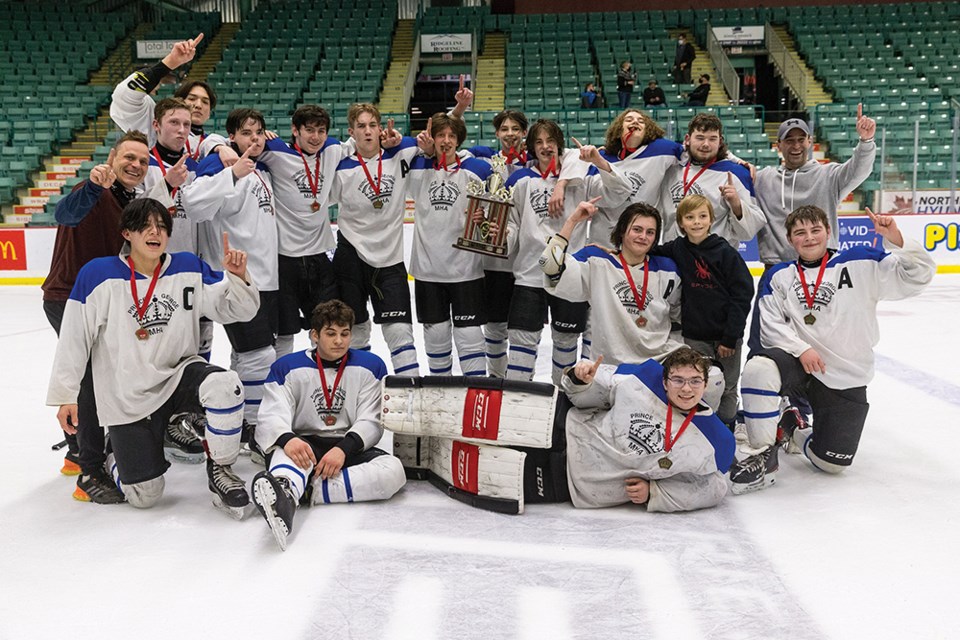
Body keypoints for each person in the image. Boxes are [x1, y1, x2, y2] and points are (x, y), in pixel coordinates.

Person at [46, 199, 261, 513]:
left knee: (226, 384)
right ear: (127, 233)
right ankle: (115, 452)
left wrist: (239, 278)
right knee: (146, 497)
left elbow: (238, 309)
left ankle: (221, 469)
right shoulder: (98, 275)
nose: (155, 232)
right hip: (128, 396)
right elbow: (74, 339)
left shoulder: (188, 266)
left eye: (161, 226)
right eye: (145, 225)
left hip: (179, 376)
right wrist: (66, 395)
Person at [731, 205, 935, 494]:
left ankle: (793, 427)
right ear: (791, 240)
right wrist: (800, 349)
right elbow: (769, 325)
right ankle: (762, 454)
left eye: (816, 230)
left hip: (844, 376)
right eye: (800, 232)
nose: (809, 237)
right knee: (759, 368)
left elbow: (918, 277)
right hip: (799, 366)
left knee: (831, 463)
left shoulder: (861, 262)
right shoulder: (780, 276)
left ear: (828, 231)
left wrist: (896, 240)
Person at [42, 131, 170, 503]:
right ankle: (88, 471)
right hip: (69, 300)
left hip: (98, 302)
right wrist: (93, 186)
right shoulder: (94, 189)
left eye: (143, 161)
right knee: (91, 383)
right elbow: (64, 213)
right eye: (129, 157)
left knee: (95, 378)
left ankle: (76, 452)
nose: (136, 165)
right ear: (112, 158)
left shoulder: (131, 201)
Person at [252, 300, 406, 551]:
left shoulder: (370, 366)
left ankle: (299, 492)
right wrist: (288, 440)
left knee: (393, 471)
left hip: (347, 445)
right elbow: (271, 415)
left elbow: (372, 419)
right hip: (304, 443)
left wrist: (344, 449)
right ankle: (284, 491)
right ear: (314, 335)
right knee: (285, 455)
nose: (339, 341)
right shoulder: (287, 367)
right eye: (331, 334)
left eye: (345, 334)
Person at [504, 120, 630, 385]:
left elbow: (620, 192)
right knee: (520, 347)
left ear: (559, 146)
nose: (545, 147)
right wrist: (497, 234)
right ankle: (519, 404)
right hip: (528, 276)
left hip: (569, 277)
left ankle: (562, 403)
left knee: (565, 345)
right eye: (538, 142)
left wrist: (599, 161)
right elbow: (512, 225)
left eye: (550, 141)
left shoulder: (581, 180)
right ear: (531, 147)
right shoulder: (520, 180)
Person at [180, 108, 278, 440]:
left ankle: (241, 419)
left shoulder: (263, 168)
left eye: (260, 132)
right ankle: (249, 426)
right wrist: (230, 169)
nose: (255, 138)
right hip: (235, 279)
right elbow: (192, 204)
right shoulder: (217, 163)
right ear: (231, 137)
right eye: (247, 132)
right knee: (256, 354)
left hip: (264, 279)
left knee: (253, 356)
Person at [563, 347, 735, 511]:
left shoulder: (718, 441)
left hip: (574, 483)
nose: (686, 388)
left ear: (705, 385)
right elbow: (590, 391)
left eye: (695, 381)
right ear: (665, 382)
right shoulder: (643, 377)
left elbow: (714, 488)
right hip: (564, 430)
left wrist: (655, 492)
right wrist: (582, 380)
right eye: (677, 380)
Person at [330, 103, 423, 376]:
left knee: (400, 332)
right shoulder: (340, 167)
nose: (368, 131)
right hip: (350, 258)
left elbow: (435, 139)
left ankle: (410, 394)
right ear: (351, 132)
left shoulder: (401, 153)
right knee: (355, 330)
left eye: (373, 125)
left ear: (381, 129)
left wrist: (460, 108)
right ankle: (360, 390)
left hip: (390, 260)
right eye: (361, 126)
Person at [540, 201, 682, 367]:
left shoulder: (667, 269)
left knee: (712, 377)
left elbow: (677, 315)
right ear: (622, 230)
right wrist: (572, 221)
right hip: (610, 365)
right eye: (637, 229)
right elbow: (550, 266)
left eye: (650, 232)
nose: (643, 236)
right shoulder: (597, 261)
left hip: (659, 359)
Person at [653, 194, 754, 427]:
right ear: (680, 223)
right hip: (695, 336)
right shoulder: (678, 248)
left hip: (726, 337)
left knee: (727, 386)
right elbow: (651, 251)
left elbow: (742, 295)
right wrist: (615, 252)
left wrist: (730, 337)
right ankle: (700, 426)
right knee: (696, 383)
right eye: (689, 217)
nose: (696, 222)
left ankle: (726, 425)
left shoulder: (725, 253)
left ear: (711, 220)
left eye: (702, 216)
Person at [256, 105, 344, 357]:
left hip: (320, 258)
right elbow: (239, 142)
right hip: (284, 260)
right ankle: (284, 381)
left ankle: (324, 379)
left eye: (321, 130)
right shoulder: (275, 151)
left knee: (327, 325)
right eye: (309, 130)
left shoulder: (332, 149)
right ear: (295, 130)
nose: (315, 137)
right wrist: (223, 147)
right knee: (285, 331)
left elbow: (366, 145)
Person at [408, 113, 492, 376]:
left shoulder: (476, 171)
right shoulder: (417, 168)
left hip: (466, 269)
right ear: (432, 139)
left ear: (459, 141)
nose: (446, 141)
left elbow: (492, 214)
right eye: (440, 135)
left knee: (469, 336)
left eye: (451, 136)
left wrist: (484, 219)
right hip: (427, 271)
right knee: (436, 335)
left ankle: (476, 389)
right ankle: (440, 390)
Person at [754, 106, 877, 268]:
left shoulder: (829, 175)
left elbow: (859, 171)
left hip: (822, 268)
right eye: (789, 141)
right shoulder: (764, 179)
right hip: (776, 269)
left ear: (809, 141)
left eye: (801, 140)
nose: (796, 146)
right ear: (779, 145)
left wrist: (866, 141)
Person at [462, 109, 529, 377]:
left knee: (525, 329)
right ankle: (498, 378)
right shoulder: (486, 163)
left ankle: (522, 381)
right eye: (504, 129)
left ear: (524, 132)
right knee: (496, 326)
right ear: (497, 133)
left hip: (526, 260)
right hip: (494, 259)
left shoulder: (536, 164)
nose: (510, 134)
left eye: (515, 128)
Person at [660, 114, 766, 247]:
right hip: (673, 256)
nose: (705, 144)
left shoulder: (736, 174)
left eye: (712, 139)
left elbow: (749, 232)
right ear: (687, 139)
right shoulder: (671, 167)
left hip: (714, 261)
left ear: (720, 141)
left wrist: (737, 206)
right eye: (700, 138)